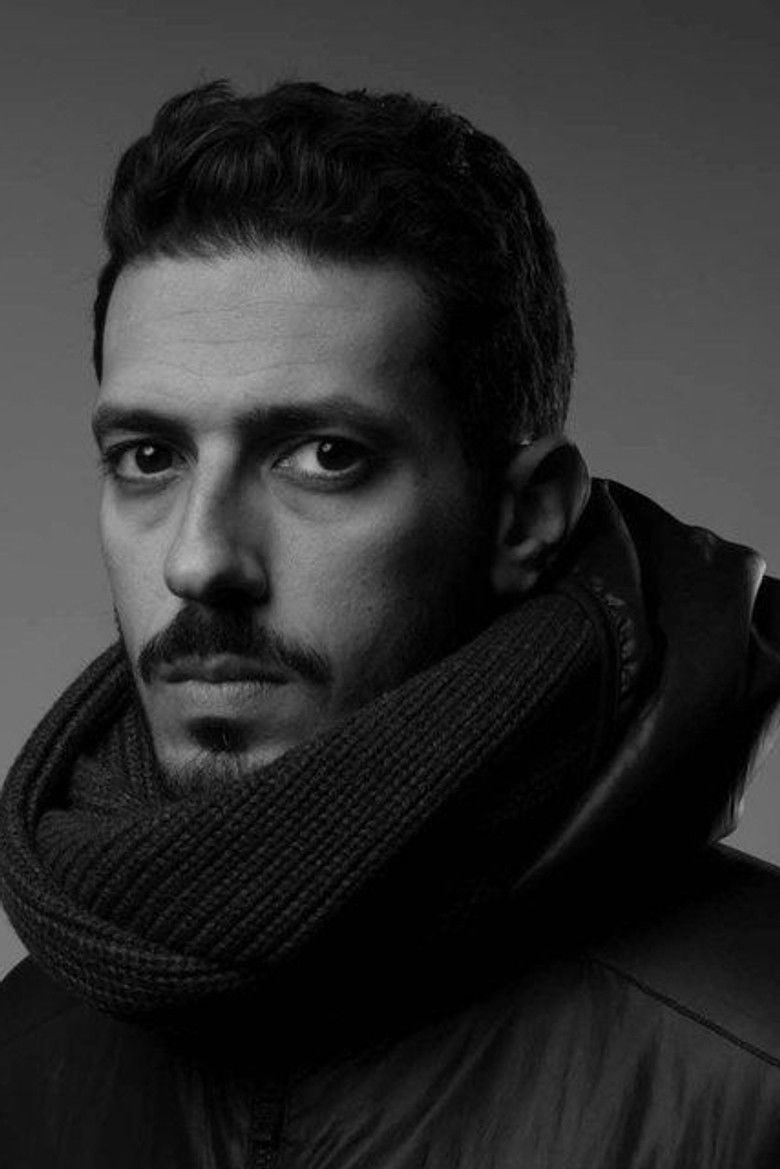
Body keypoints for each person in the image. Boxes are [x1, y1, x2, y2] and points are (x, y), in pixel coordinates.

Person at [0, 79, 779, 1168]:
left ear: (526, 518)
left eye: (325, 456)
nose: (197, 559)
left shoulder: (755, 1055)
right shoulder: (22, 1051)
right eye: (149, 456)